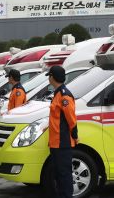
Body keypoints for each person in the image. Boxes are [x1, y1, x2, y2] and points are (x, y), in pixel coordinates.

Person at [45, 66, 79, 198]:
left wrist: (75, 136)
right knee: (58, 174)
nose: (49, 78)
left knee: (64, 174)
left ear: (53, 77)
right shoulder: (57, 93)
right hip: (55, 143)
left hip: (62, 142)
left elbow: (72, 119)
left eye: (49, 76)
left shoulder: (64, 95)